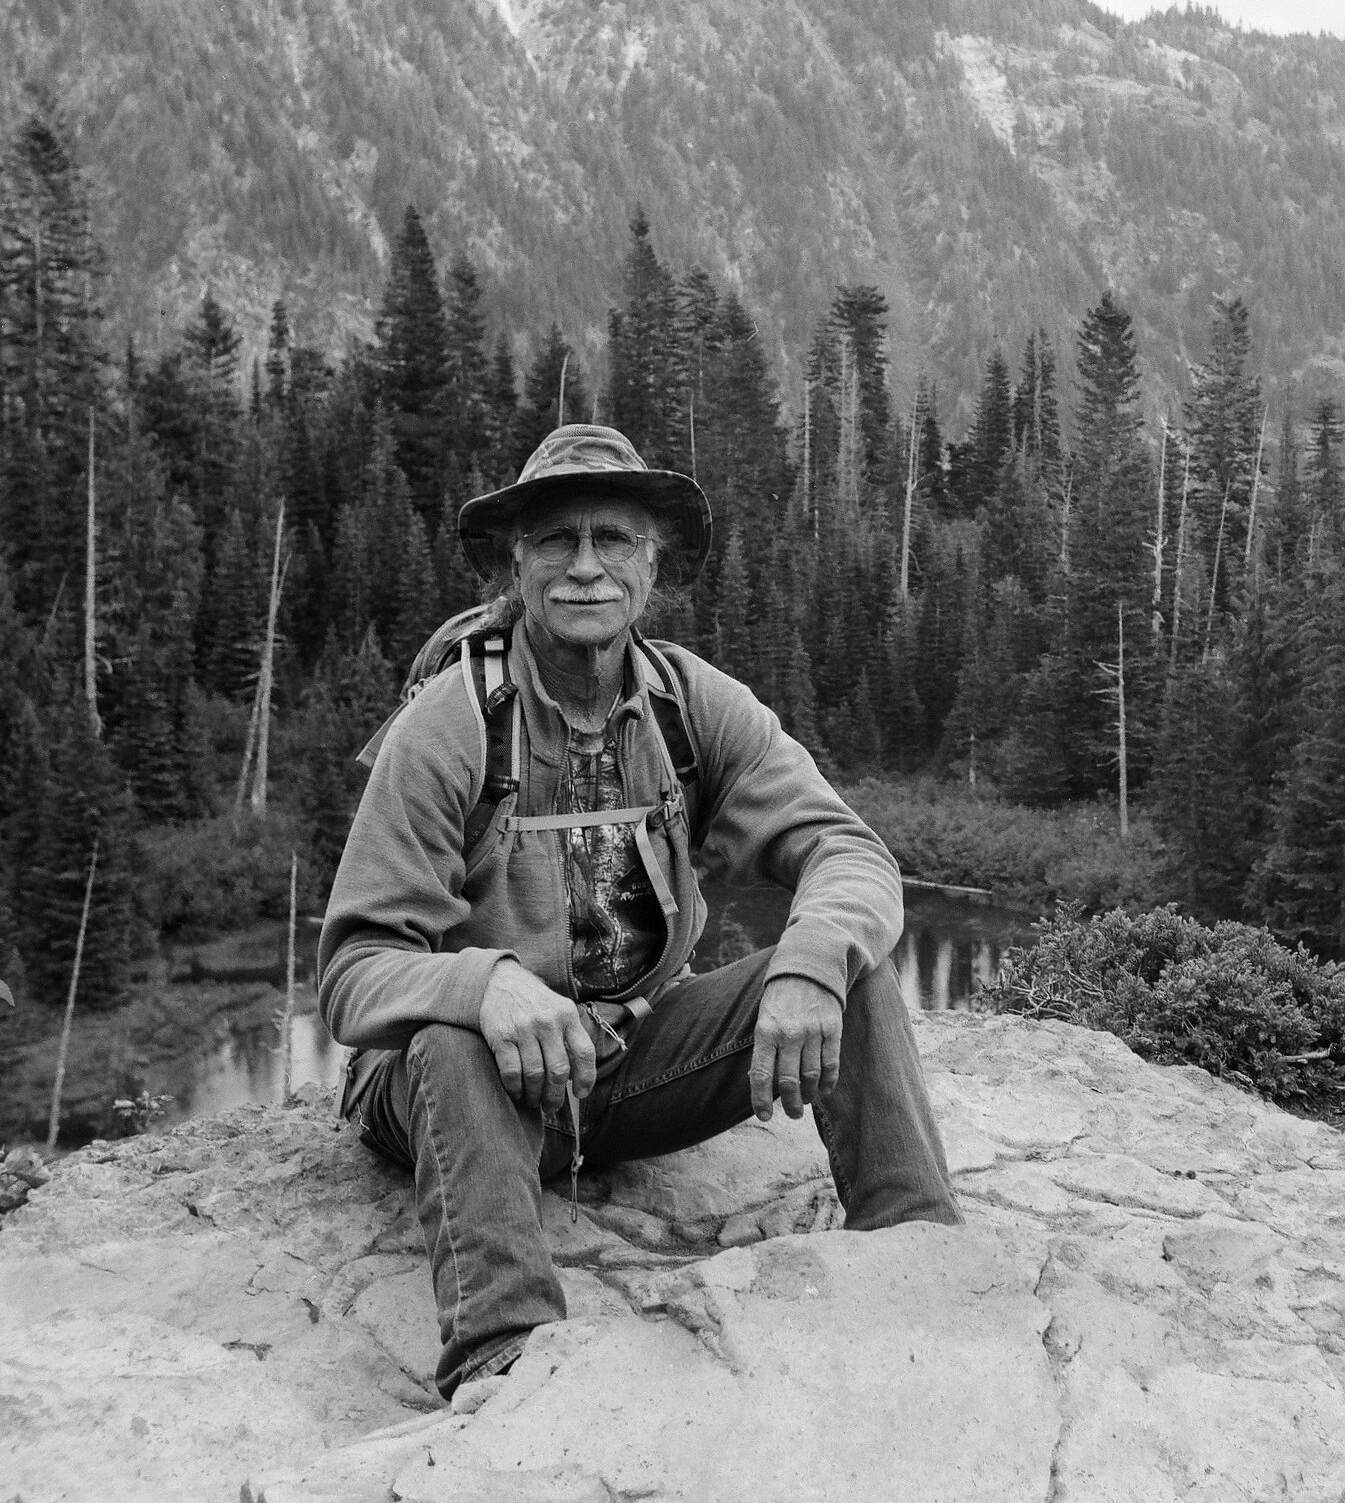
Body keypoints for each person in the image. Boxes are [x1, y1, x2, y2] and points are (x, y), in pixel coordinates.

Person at [318, 423, 960, 1401]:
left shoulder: (685, 704)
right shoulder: (453, 722)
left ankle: (922, 1258)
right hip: (460, 1086)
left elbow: (850, 853)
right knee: (451, 1043)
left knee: (851, 964)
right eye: (557, 540)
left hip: (627, 1058)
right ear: (519, 561)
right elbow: (353, 967)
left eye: (612, 537)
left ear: (650, 560)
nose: (586, 566)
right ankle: (508, 1358)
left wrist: (808, 960)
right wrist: (481, 983)